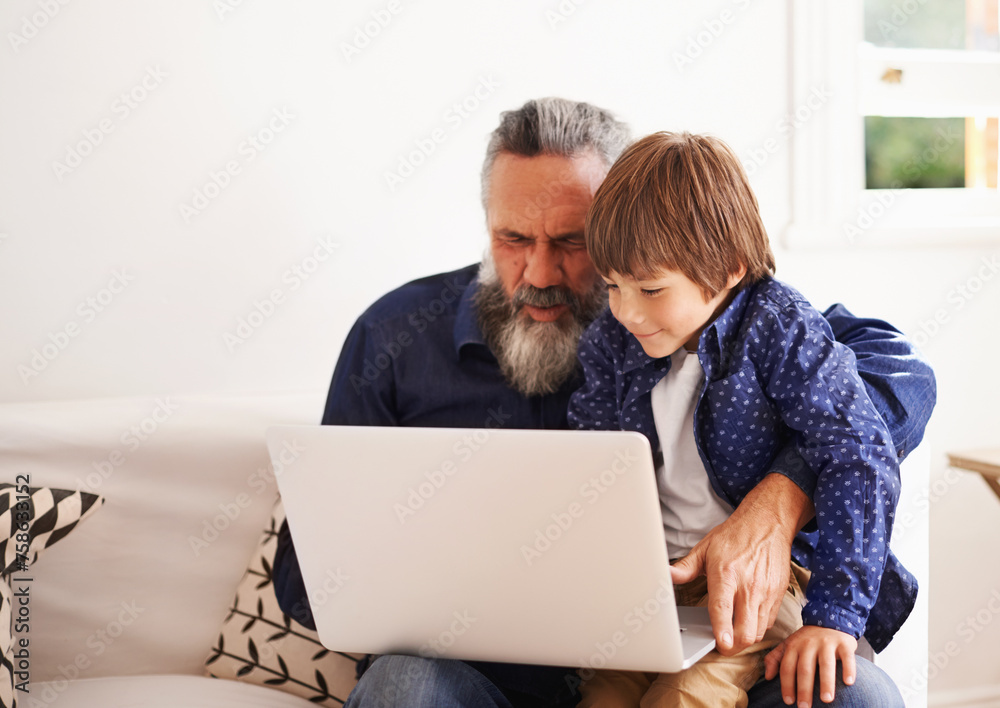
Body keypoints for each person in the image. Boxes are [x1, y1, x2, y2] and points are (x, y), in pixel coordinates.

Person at [272, 98, 936, 708]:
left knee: (855, 695)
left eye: (570, 243)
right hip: (480, 678)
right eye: (511, 239)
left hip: (690, 630)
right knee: (402, 687)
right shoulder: (396, 336)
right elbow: (309, 578)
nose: (537, 274)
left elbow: (897, 382)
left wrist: (783, 494)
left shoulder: (705, 313)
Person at [568, 131, 918, 708]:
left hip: (760, 585)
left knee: (679, 699)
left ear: (727, 267)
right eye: (612, 286)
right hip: (657, 588)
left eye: (651, 288)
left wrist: (834, 618)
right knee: (600, 697)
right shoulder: (614, 340)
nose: (626, 310)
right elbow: (592, 457)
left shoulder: (779, 331)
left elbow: (860, 454)